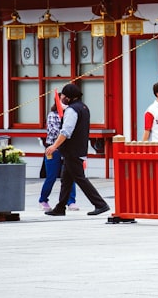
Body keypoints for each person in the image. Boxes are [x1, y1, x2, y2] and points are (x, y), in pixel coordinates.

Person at [44, 83, 111, 217]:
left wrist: (54, 146)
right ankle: (60, 207)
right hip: (79, 148)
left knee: (80, 178)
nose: (61, 97)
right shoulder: (84, 108)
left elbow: (66, 131)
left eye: (63, 95)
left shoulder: (72, 110)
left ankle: (100, 204)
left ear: (68, 97)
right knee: (66, 179)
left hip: (72, 150)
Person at [38, 93, 77, 212]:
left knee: (70, 175)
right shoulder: (52, 115)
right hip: (53, 149)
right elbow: (54, 131)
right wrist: (64, 130)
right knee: (51, 175)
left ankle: (71, 201)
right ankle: (43, 199)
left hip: (67, 149)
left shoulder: (71, 114)